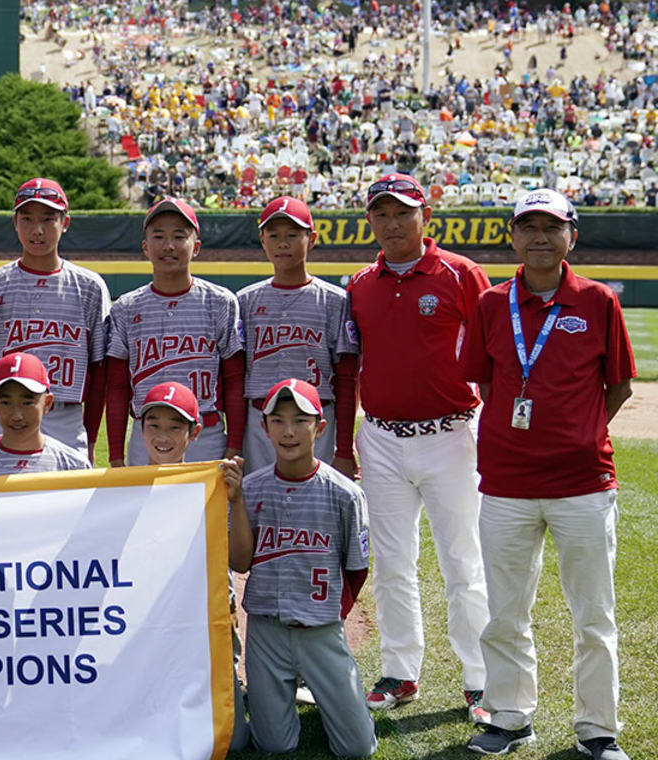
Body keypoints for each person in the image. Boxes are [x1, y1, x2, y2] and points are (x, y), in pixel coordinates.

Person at [462, 190, 634, 760]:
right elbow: (486, 386)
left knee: (595, 616)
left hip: (583, 483)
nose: (539, 236)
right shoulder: (491, 304)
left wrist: (577, 434)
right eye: (528, 226)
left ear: (572, 237)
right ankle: (510, 718)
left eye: (551, 227)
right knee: (505, 611)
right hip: (507, 484)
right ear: (513, 237)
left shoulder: (599, 302)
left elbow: (618, 387)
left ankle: (597, 729)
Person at [347, 173, 491, 721]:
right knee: (392, 562)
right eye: (381, 214)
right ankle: (400, 670)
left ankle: (479, 679)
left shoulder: (461, 273)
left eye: (402, 213)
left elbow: (493, 354)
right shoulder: (361, 283)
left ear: (424, 215)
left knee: (463, 561)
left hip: (451, 433)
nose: (392, 223)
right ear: (371, 222)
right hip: (382, 436)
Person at [239, 379, 377, 758]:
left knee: (357, 749)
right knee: (274, 745)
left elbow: (356, 568)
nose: (288, 431)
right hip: (266, 631)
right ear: (264, 428)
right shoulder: (251, 490)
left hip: (320, 631)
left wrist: (329, 615)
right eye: (278, 420)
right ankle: (289, 689)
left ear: (320, 426)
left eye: (300, 420)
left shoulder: (345, 493)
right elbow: (240, 560)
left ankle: (320, 684)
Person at [134, 379, 253, 752]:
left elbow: (241, 560)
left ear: (195, 432)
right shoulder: (123, 490)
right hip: (146, 628)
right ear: (141, 429)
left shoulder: (214, 483)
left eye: (175, 427)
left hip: (205, 626)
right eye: (154, 425)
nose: (163, 436)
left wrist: (235, 502)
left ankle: (234, 689)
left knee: (232, 743)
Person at [0, 178, 111, 455]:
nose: (37, 230)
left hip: (65, 412)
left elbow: (99, 370)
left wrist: (91, 439)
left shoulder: (90, 286)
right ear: (15, 221)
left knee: (66, 497)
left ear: (65, 222)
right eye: (27, 219)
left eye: (48, 219)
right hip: (3, 413)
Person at [105, 197, 246, 466]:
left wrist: (234, 445)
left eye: (179, 236)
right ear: (146, 247)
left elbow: (235, 378)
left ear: (196, 247)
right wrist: (115, 455)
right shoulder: (126, 307)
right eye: (159, 236)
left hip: (205, 431)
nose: (168, 246)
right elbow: (117, 387)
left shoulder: (220, 302)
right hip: (147, 433)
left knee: (208, 509)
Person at [237, 197, 359, 475]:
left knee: (316, 506)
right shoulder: (245, 300)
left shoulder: (335, 301)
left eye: (292, 235)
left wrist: (343, 448)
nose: (283, 243)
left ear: (311, 239)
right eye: (274, 235)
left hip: (316, 420)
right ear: (262, 240)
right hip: (260, 420)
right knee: (258, 506)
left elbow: (347, 377)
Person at [0, 353, 92, 477]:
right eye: (6, 403)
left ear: (47, 403)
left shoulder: (74, 467)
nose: (17, 416)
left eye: (27, 403)